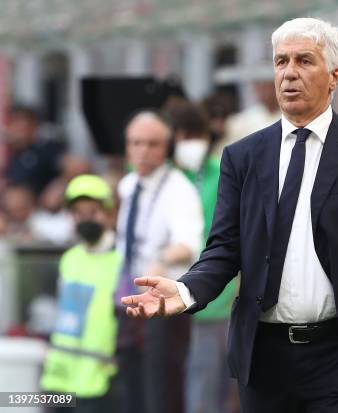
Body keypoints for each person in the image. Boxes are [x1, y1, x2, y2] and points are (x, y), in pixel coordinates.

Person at [121, 17, 338, 412]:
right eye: (281, 62)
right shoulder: (242, 156)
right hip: (264, 357)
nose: (289, 73)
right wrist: (184, 291)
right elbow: (223, 249)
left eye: (304, 61)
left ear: (334, 76)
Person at [115, 111, 203, 413]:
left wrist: (160, 260)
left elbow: (188, 245)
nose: (142, 151)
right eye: (136, 143)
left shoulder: (179, 189)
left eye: (152, 144)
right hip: (130, 299)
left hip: (164, 304)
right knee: (130, 385)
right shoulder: (128, 185)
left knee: (161, 392)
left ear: (166, 147)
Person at [166, 100, 239, 413]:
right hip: (167, 294)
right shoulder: (163, 179)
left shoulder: (224, 171)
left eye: (194, 134)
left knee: (210, 381)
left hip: (216, 298)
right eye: (181, 135)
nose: (188, 142)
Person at [40, 174, 121, 412]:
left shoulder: (122, 261)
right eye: (79, 212)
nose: (85, 218)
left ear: (109, 213)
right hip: (59, 375)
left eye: (93, 211)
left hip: (100, 378)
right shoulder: (69, 259)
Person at [2, 105, 66, 194]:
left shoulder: (45, 148)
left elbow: (74, 167)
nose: (18, 134)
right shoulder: (12, 154)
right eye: (15, 128)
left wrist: (56, 189)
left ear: (33, 127)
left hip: (38, 205)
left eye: (22, 129)